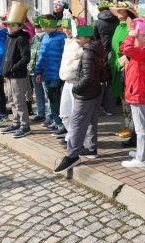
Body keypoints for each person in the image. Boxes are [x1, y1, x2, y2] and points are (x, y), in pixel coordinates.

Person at [54, 22, 104, 174]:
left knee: (76, 123)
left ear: (88, 38)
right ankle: (91, 148)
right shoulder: (96, 48)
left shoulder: (88, 52)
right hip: (94, 90)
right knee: (90, 121)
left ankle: (72, 155)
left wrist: (76, 88)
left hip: (85, 92)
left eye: (79, 38)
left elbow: (87, 76)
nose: (76, 40)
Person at [121, 19, 145, 168]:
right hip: (136, 91)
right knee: (142, 125)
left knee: (141, 127)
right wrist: (132, 35)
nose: (134, 38)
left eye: (137, 36)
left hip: (138, 92)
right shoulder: (141, 51)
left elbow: (127, 49)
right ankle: (144, 152)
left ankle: (141, 159)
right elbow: (124, 47)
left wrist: (131, 36)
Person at [0, 2, 32, 139]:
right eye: (8, 25)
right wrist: (4, 69)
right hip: (9, 75)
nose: (10, 27)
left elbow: (25, 58)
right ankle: (16, 122)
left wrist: (13, 68)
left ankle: (25, 125)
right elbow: (7, 56)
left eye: (13, 25)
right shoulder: (9, 38)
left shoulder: (21, 39)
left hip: (17, 75)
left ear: (20, 26)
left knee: (19, 101)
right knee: (11, 99)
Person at [109, 1, 138, 143]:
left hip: (126, 67)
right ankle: (127, 125)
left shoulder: (131, 26)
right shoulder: (118, 27)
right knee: (123, 99)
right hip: (117, 67)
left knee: (129, 99)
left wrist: (124, 62)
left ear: (129, 12)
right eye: (117, 10)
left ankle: (133, 128)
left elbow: (134, 47)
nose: (118, 12)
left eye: (121, 9)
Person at [56, 16, 85, 143]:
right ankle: (71, 134)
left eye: (69, 28)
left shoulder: (79, 41)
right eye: (64, 28)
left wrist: (73, 67)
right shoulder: (67, 41)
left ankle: (76, 138)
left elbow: (83, 58)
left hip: (75, 80)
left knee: (75, 112)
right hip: (67, 80)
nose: (66, 30)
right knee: (65, 112)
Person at [35, 15, 66, 132]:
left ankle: (61, 123)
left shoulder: (61, 38)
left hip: (56, 74)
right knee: (50, 98)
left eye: (43, 24)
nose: (41, 27)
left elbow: (65, 57)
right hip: (46, 74)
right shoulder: (45, 37)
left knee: (54, 97)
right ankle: (56, 121)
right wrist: (39, 72)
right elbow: (41, 56)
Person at [94, 0, 120, 116]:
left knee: (99, 81)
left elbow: (94, 39)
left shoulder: (97, 23)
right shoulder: (118, 22)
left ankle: (96, 109)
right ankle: (109, 109)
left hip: (100, 54)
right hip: (113, 54)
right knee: (111, 82)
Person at [28, 17, 47, 123]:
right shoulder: (34, 38)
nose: (37, 29)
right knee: (38, 93)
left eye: (39, 27)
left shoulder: (46, 38)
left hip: (44, 70)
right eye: (35, 27)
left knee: (47, 94)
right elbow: (31, 53)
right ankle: (40, 113)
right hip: (34, 69)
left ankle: (51, 115)